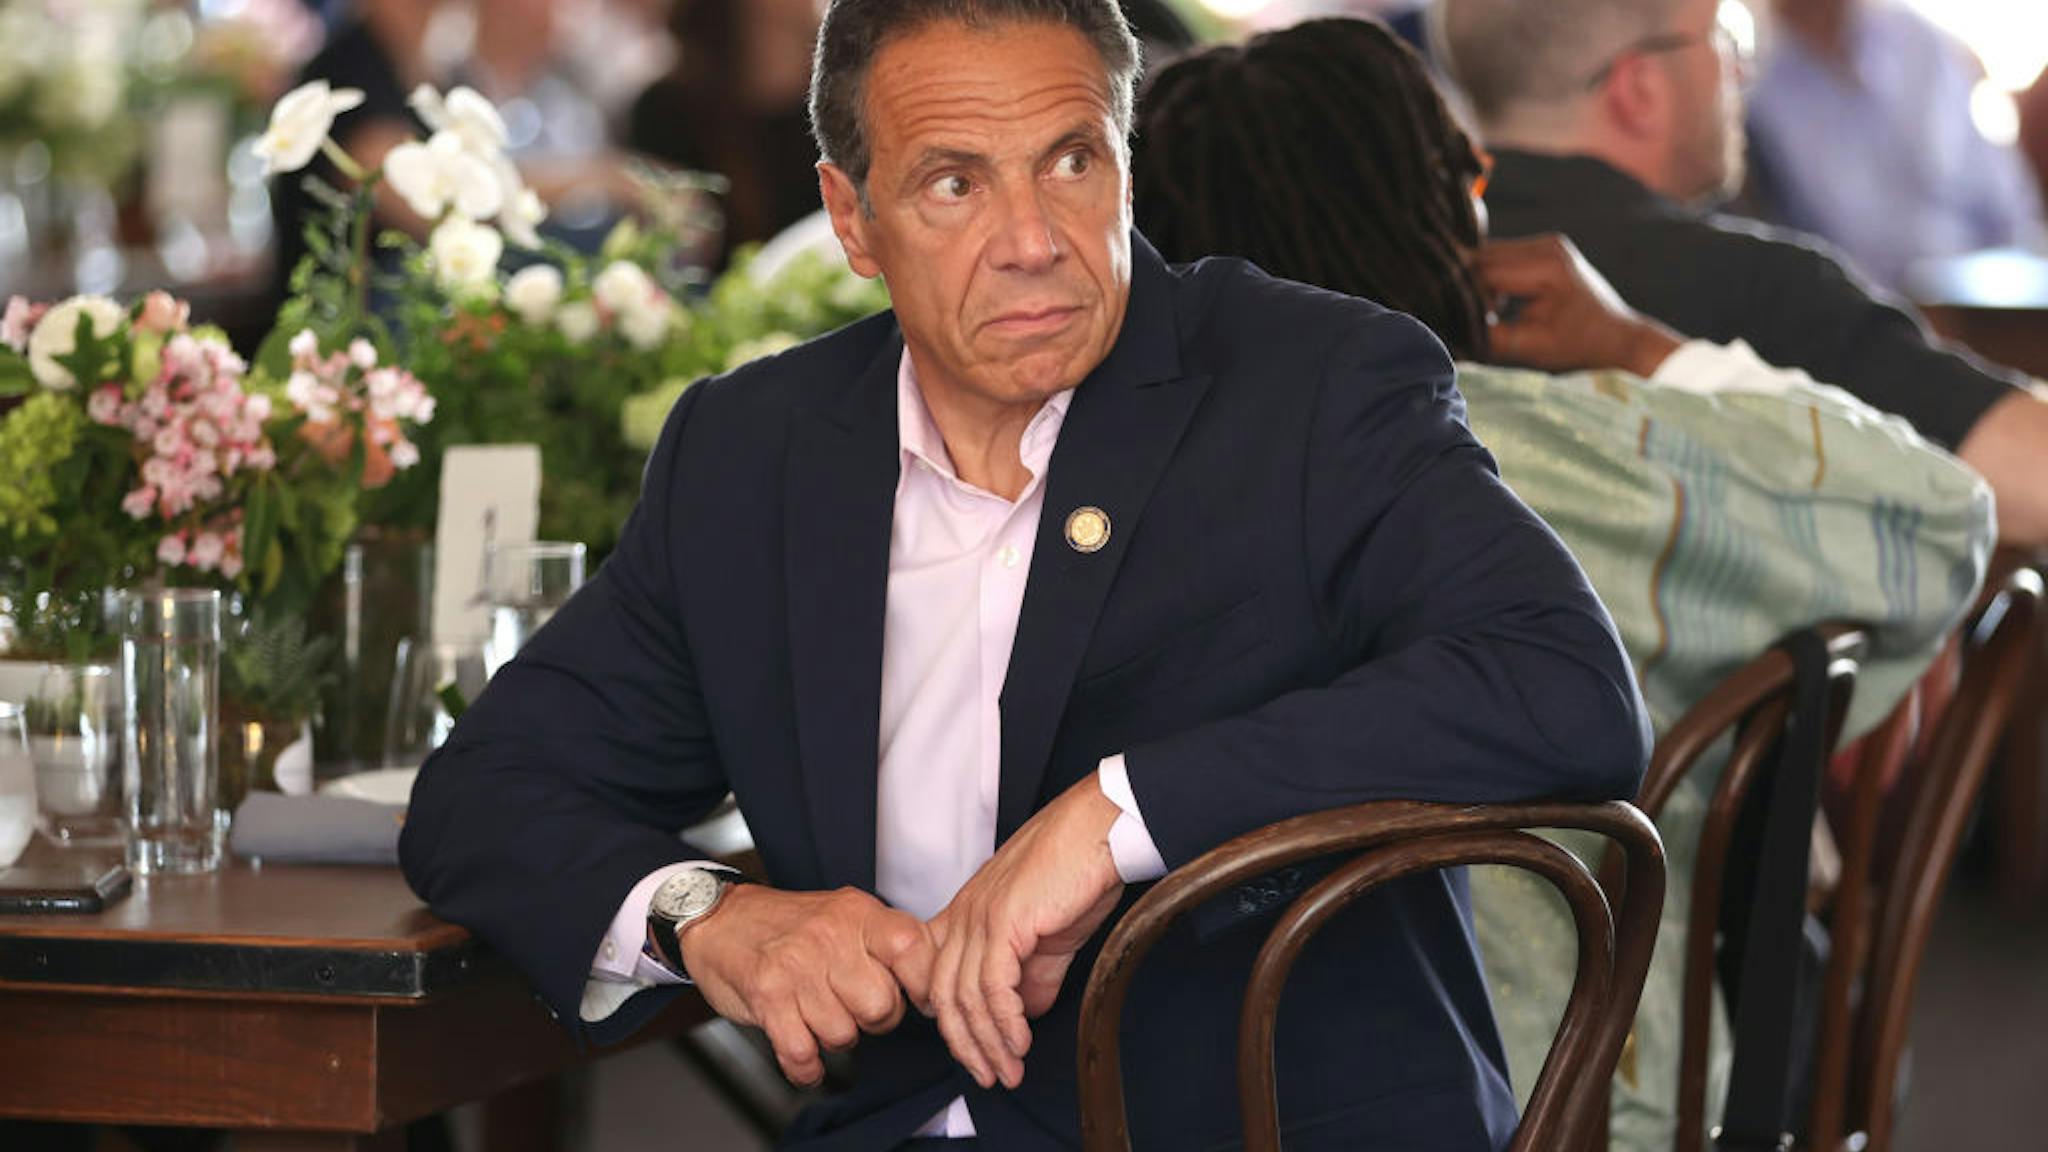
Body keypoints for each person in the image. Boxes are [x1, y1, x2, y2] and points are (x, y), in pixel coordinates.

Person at [398, 1, 1654, 1148]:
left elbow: (1561, 687)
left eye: (1070, 161)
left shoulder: (1311, 386)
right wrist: (707, 913)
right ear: (852, 220)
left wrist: (1114, 818)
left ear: (1124, 162)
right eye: (953, 183)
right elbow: (486, 793)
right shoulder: (756, 455)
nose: (1032, 241)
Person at [1130, 16, 1992, 1150]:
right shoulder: (1580, 453)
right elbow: (1938, 516)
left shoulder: (1113, 496)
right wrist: (1639, 346)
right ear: (1448, 208)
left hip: (1195, 1099)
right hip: (1595, 1091)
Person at [1438, 0, 2048, 547]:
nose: (1741, 72)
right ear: (1640, 90)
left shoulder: (1406, 271)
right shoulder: (1761, 293)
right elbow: (2035, 477)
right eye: (1723, 35)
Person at [1745, 0, 2045, 294]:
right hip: (1862, 315)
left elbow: (2008, 208)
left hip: (1981, 303)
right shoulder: (1753, 86)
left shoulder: (1922, 41)